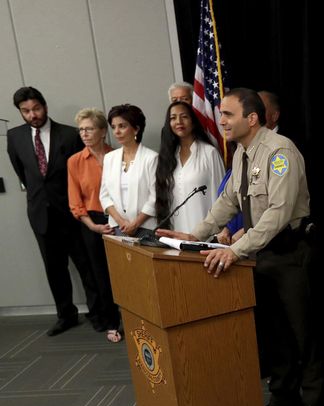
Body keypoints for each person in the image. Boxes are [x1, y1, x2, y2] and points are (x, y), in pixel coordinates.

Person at [158, 88, 324, 406]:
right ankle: (283, 397)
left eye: (229, 114)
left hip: (288, 252)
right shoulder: (240, 152)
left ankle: (315, 399)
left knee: (301, 330)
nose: (221, 120)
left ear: (252, 119)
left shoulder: (280, 152)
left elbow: (278, 214)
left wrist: (234, 250)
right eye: (220, 114)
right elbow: (229, 201)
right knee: (275, 331)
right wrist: (196, 234)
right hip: (260, 253)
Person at [7, 86, 99, 336]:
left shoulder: (70, 135)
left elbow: (82, 174)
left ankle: (97, 312)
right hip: (40, 215)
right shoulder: (14, 137)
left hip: (72, 212)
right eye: (26, 111)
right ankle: (66, 315)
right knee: (54, 268)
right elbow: (23, 173)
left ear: (45, 106)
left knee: (86, 265)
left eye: (36, 108)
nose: (32, 114)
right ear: (20, 112)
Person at [67, 108, 123, 343]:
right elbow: (75, 201)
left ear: (102, 131)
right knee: (101, 275)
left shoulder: (119, 156)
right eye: (81, 130)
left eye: (89, 129)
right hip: (92, 222)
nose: (84, 134)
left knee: (124, 272)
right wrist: (92, 226)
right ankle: (112, 323)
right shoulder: (75, 161)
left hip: (121, 220)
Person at [155, 101, 225, 234]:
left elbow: (222, 196)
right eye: (173, 118)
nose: (178, 121)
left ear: (193, 121)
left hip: (206, 235)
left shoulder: (209, 153)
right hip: (176, 235)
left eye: (184, 117)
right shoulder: (167, 157)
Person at [100, 104, 158, 238]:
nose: (116, 132)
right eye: (113, 127)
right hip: (117, 227)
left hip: (145, 227)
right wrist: (121, 222)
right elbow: (104, 195)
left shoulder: (151, 158)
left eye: (122, 126)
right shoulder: (109, 158)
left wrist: (135, 224)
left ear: (136, 129)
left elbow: (155, 197)